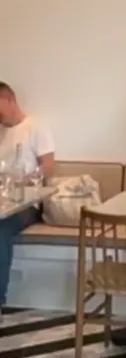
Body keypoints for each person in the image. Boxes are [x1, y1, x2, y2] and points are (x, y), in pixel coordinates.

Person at [0, 82, 55, 312]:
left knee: (1, 230)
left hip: (27, 204)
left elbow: (49, 166)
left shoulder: (35, 126)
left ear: (9, 100)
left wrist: (25, 179)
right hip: (3, 201)